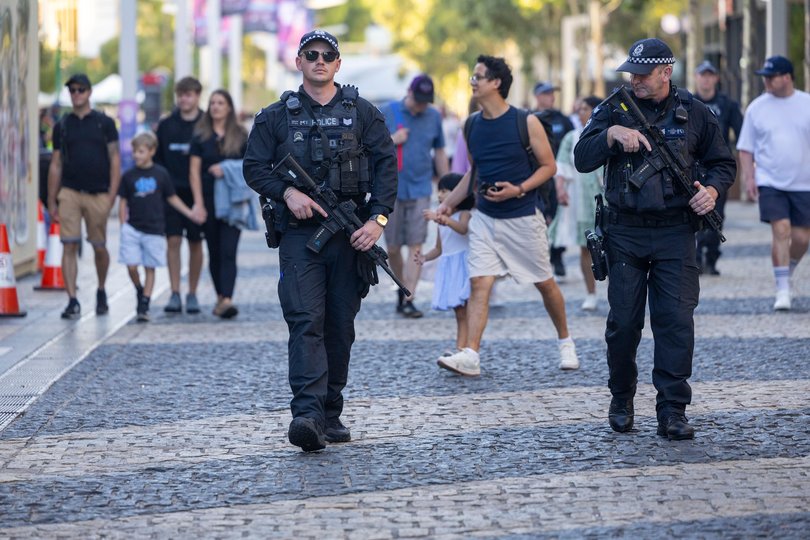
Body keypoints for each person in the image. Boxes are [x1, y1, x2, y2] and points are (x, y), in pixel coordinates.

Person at [574, 38, 736, 440]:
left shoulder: (696, 113)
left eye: (643, 73)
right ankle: (622, 398)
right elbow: (581, 158)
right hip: (625, 232)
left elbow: (722, 163)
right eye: (632, 73)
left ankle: (672, 409)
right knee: (624, 323)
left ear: (667, 72)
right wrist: (611, 134)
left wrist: (711, 191)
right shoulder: (613, 108)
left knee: (676, 323)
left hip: (675, 232)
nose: (636, 80)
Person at [243, 29, 397, 452]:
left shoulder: (363, 112)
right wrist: (288, 192)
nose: (320, 60)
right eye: (311, 54)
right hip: (300, 238)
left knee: (339, 326)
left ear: (338, 63)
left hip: (351, 236)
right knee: (305, 320)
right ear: (298, 61)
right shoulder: (276, 116)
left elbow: (386, 168)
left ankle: (330, 410)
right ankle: (307, 415)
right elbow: (254, 167)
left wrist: (377, 220)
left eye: (328, 55)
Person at [435, 55, 580, 376]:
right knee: (479, 284)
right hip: (485, 218)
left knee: (545, 283)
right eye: (473, 77)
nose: (473, 82)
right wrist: (450, 204)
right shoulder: (471, 124)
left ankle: (565, 341)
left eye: (479, 77)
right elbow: (473, 173)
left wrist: (519, 189)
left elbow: (549, 167)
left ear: (496, 83)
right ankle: (471, 354)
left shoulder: (524, 122)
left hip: (522, 216)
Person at [737, 55, 810, 312]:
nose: (766, 81)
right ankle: (783, 290)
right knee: (781, 230)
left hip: (804, 183)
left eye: (771, 76)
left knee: (802, 238)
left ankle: (786, 271)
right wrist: (750, 176)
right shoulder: (757, 108)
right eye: (764, 77)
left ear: (788, 77)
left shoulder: (806, 104)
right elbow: (745, 149)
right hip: (770, 181)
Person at [47, 73, 120, 319]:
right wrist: (51, 198)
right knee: (68, 244)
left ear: (89, 92)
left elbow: (115, 159)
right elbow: (56, 164)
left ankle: (101, 289)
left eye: (80, 89)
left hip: (98, 192)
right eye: (72, 90)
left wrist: (112, 194)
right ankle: (72, 299)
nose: (76, 94)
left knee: (99, 246)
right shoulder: (63, 125)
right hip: (69, 192)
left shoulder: (104, 123)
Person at [380, 74, 450, 318]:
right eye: (418, 100)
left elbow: (439, 152)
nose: (421, 105)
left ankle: (409, 296)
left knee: (416, 244)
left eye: (425, 101)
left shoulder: (433, 117)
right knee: (392, 248)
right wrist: (392, 140)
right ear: (408, 92)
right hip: (390, 190)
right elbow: (367, 148)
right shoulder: (387, 111)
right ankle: (402, 289)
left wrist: (448, 188)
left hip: (420, 189)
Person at [118, 132, 202, 322]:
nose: (136, 155)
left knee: (150, 267)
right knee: (131, 266)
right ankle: (139, 290)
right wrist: (123, 225)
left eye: (140, 151)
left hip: (155, 229)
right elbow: (122, 201)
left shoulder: (161, 174)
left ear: (152, 151)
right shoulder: (128, 176)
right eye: (134, 151)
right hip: (132, 228)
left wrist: (189, 213)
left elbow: (171, 198)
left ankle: (145, 303)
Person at [189, 89, 248, 319]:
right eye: (212, 103)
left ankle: (227, 298)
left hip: (233, 201)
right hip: (209, 199)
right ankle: (221, 297)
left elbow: (249, 166)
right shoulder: (200, 136)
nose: (215, 107)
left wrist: (225, 169)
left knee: (229, 251)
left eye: (220, 103)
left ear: (229, 107)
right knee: (214, 251)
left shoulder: (241, 135)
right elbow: (194, 172)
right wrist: (198, 204)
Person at [155, 76, 206, 314]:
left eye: (189, 94)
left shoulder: (205, 123)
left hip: (198, 194)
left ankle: (192, 293)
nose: (184, 99)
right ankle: (174, 292)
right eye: (181, 94)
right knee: (172, 241)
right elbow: (157, 161)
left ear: (197, 96)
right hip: (171, 194)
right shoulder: (166, 125)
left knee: (196, 242)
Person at [693, 60, 744, 276]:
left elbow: (741, 133)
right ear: (696, 78)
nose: (706, 79)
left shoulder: (727, 104)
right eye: (702, 75)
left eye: (710, 75)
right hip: (692, 168)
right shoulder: (688, 102)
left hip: (716, 168)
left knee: (716, 214)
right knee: (691, 212)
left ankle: (711, 257)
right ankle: (694, 258)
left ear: (715, 78)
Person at [554, 96, 604, 311]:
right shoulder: (571, 137)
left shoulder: (609, 134)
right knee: (586, 247)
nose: (580, 112)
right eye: (579, 108)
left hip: (608, 200)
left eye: (585, 108)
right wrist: (560, 189)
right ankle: (591, 292)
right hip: (582, 202)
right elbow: (562, 166)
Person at [416, 173, 474, 354]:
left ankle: (466, 348)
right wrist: (425, 257)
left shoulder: (464, 214)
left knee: (466, 310)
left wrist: (445, 220)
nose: (439, 195)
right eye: (438, 191)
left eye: (444, 191)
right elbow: (439, 248)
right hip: (450, 267)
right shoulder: (441, 221)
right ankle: (461, 347)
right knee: (459, 311)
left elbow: (463, 230)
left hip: (464, 266)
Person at [534, 81, 575, 279]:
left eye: (552, 93)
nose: (551, 96)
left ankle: (557, 256)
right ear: (537, 96)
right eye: (546, 93)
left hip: (558, 175)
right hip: (538, 175)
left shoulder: (563, 120)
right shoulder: (529, 118)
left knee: (559, 216)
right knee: (540, 216)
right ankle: (541, 256)